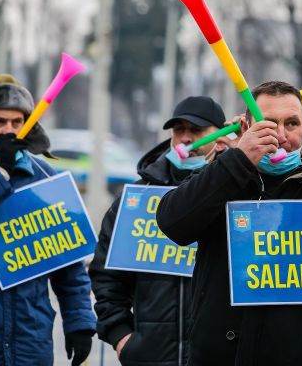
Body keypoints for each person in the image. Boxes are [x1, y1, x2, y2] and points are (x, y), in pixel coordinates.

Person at [157, 81, 302, 366]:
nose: (280, 136)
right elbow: (172, 223)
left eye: (291, 123)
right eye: (268, 123)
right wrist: (236, 161)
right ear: (246, 129)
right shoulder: (221, 181)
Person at [0, 74, 96, 366]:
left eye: (16, 123)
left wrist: (79, 320)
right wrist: (0, 174)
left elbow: (68, 259)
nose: (8, 130)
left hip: (30, 341)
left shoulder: (45, 176)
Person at [89, 96, 229, 366]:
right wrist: (123, 338)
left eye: (196, 130)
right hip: (150, 357)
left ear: (221, 135)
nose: (186, 138)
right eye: (179, 130)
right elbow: (106, 276)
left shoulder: (237, 194)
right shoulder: (136, 199)